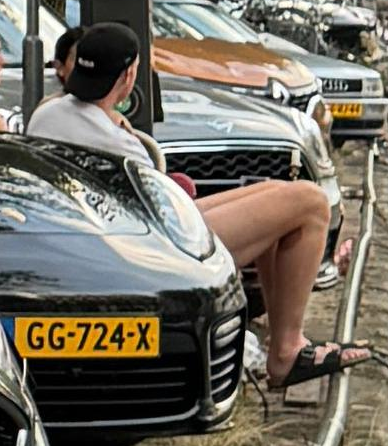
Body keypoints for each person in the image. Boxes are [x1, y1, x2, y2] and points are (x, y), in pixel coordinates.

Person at [27, 21, 360, 389]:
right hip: (158, 250)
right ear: (128, 76)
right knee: (310, 202)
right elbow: (162, 210)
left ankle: (280, 342)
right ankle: (286, 350)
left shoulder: (47, 114)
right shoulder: (117, 142)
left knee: (277, 192)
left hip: (117, 233)